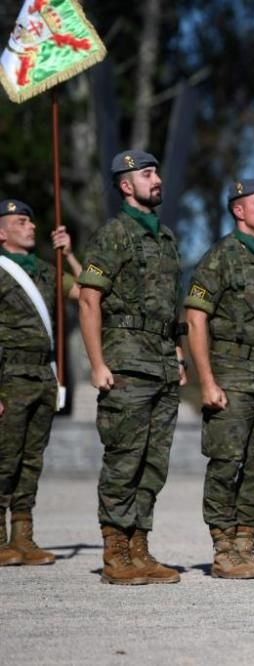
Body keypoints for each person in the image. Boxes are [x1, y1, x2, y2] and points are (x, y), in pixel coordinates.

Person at [78, 150, 187, 585]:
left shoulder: (166, 237)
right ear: (126, 185)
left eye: (157, 171)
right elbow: (89, 299)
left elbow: (168, 305)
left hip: (161, 361)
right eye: (146, 174)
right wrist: (97, 363)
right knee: (124, 459)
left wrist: (177, 353)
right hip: (125, 361)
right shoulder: (114, 234)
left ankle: (140, 546)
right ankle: (115, 551)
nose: (156, 179)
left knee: (153, 462)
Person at [185, 179, 254, 580]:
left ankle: (246, 545)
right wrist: (207, 382)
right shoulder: (221, 258)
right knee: (226, 462)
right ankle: (223, 548)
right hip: (232, 371)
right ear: (238, 209)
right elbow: (196, 319)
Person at [0, 199, 81, 567]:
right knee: (4, 459)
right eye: (20, 221)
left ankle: (23, 536)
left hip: (42, 376)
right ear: (2, 232)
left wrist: (70, 254)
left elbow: (86, 293)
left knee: (31, 461)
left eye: (30, 221)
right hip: (8, 377)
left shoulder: (48, 272)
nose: (30, 226)